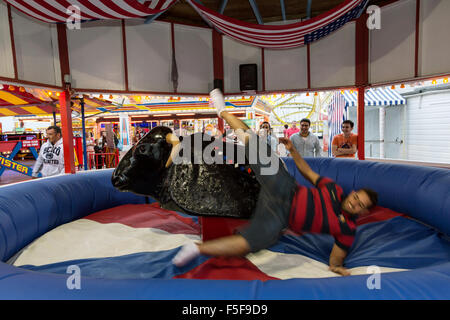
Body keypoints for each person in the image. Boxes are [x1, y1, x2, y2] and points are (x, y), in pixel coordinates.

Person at [171, 89, 378, 276]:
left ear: (363, 212)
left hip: (280, 216)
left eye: (360, 205)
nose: (354, 203)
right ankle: (222, 111)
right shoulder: (335, 189)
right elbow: (307, 172)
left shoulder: (348, 230)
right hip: (285, 187)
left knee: (250, 243)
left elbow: (336, 256)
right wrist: (292, 150)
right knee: (253, 143)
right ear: (353, 193)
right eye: (356, 197)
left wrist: (336, 267)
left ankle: (197, 248)